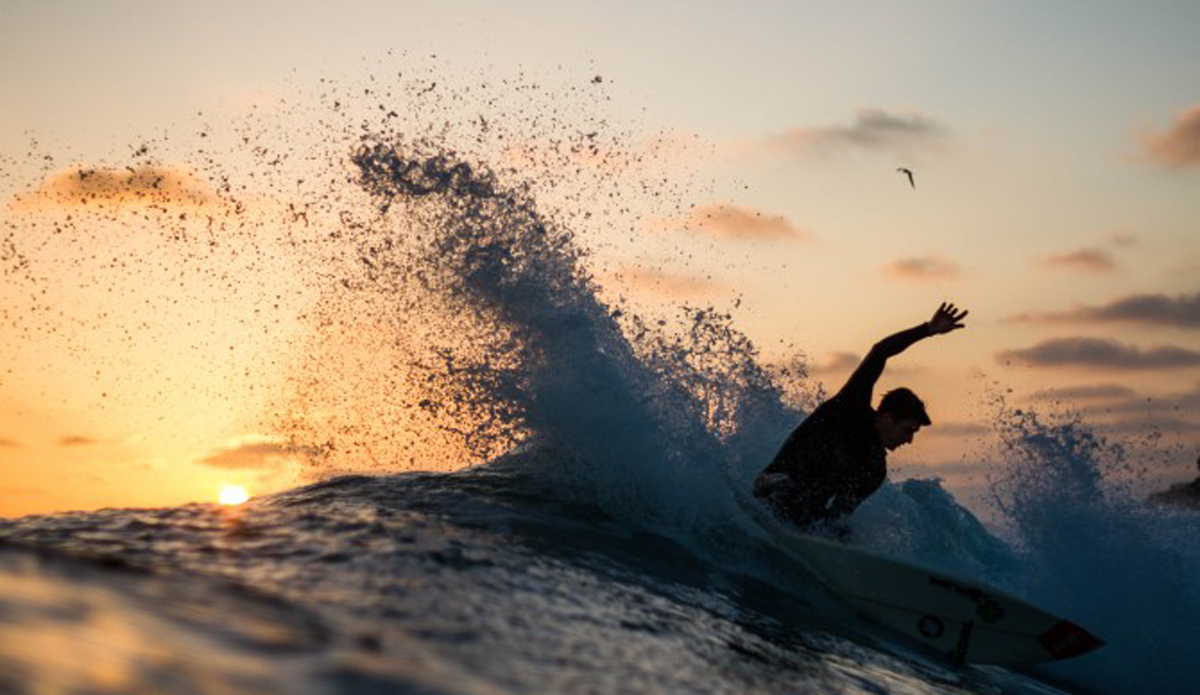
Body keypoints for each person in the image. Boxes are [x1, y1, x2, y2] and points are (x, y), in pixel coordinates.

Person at [754, 302, 968, 529]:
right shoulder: (850, 405)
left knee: (839, 528)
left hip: (802, 516)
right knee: (792, 492)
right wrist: (927, 329)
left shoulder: (875, 470)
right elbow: (880, 351)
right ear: (886, 418)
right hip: (774, 486)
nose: (909, 440)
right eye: (907, 430)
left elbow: (839, 512)